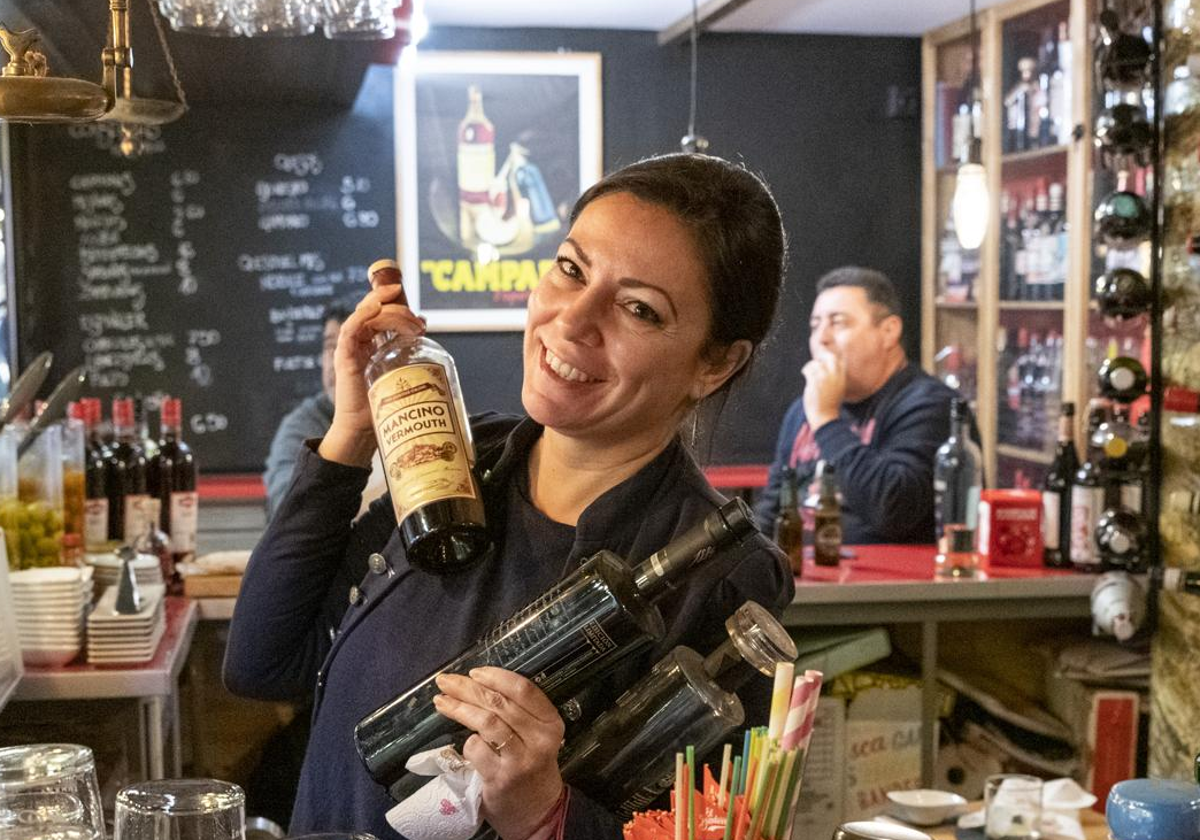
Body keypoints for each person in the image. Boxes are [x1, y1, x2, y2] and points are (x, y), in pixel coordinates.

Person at [223, 153, 795, 840]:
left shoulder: (720, 575)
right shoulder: (464, 460)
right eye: (571, 269)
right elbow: (265, 660)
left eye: (639, 308)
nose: (574, 319)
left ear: (715, 363)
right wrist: (350, 436)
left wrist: (547, 816)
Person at [754, 266, 960, 545]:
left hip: (883, 584)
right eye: (815, 325)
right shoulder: (804, 409)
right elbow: (772, 510)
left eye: (838, 322)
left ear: (888, 331)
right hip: (802, 579)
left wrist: (826, 420)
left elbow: (894, 508)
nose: (821, 338)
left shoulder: (930, 405)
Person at [262, 297, 387, 520]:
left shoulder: (409, 413)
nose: (336, 360)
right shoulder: (301, 427)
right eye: (331, 346)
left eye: (356, 346)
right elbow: (287, 511)